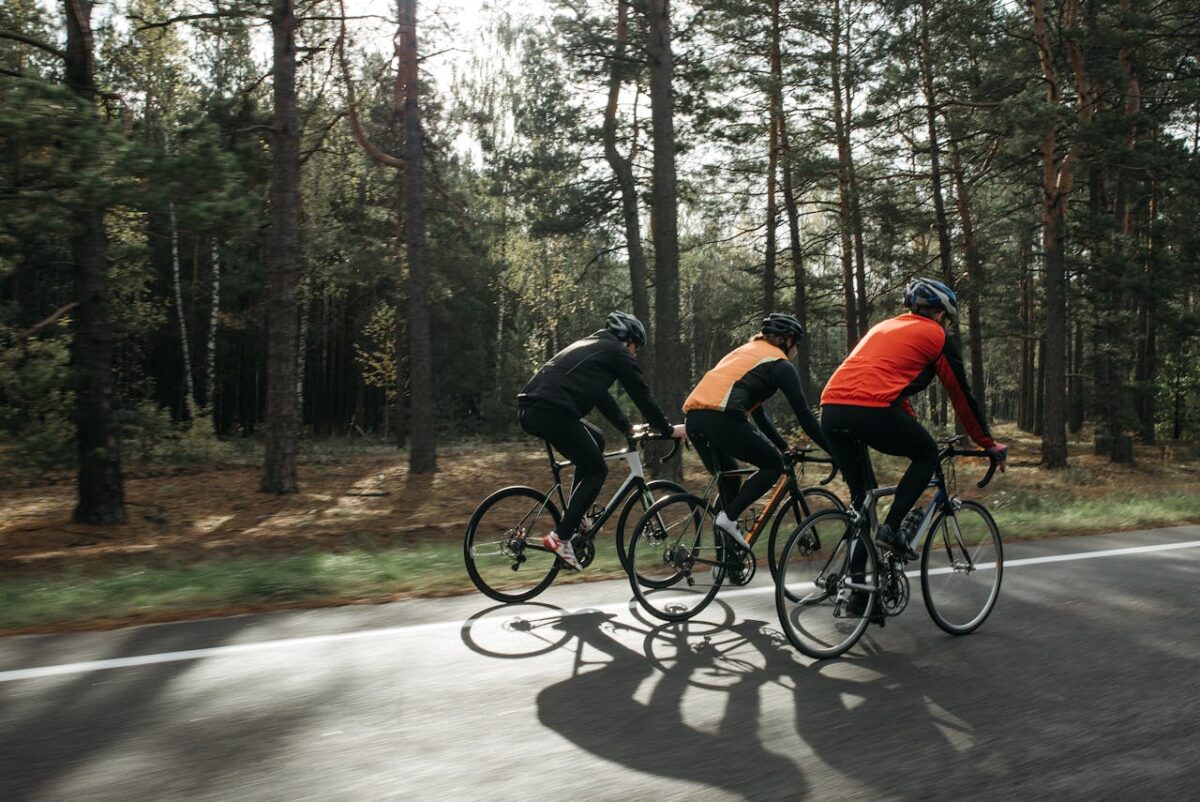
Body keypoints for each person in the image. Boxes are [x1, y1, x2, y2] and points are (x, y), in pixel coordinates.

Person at [820, 277, 1007, 574]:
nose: (945, 325)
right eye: (947, 319)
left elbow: (891, 388)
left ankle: (856, 588)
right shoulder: (936, 336)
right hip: (869, 410)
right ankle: (891, 529)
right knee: (927, 454)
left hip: (830, 409)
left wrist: (911, 425)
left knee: (862, 500)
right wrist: (987, 442)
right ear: (939, 313)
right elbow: (961, 394)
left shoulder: (884, 327)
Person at [518, 311, 680, 570]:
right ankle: (560, 538)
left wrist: (626, 427)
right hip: (551, 410)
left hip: (534, 408)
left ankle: (575, 515)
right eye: (636, 347)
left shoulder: (595, 346)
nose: (635, 354)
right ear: (628, 340)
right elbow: (641, 394)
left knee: (597, 440)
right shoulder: (616, 352)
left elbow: (602, 397)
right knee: (597, 470)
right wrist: (667, 429)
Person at [682, 313, 832, 550]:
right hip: (723, 417)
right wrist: (835, 451)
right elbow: (805, 416)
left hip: (694, 419)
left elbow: (759, 415)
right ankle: (729, 519)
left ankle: (726, 560)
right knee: (773, 465)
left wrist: (784, 446)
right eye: (797, 344)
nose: (796, 350)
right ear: (788, 341)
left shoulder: (748, 353)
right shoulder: (781, 364)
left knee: (730, 480)